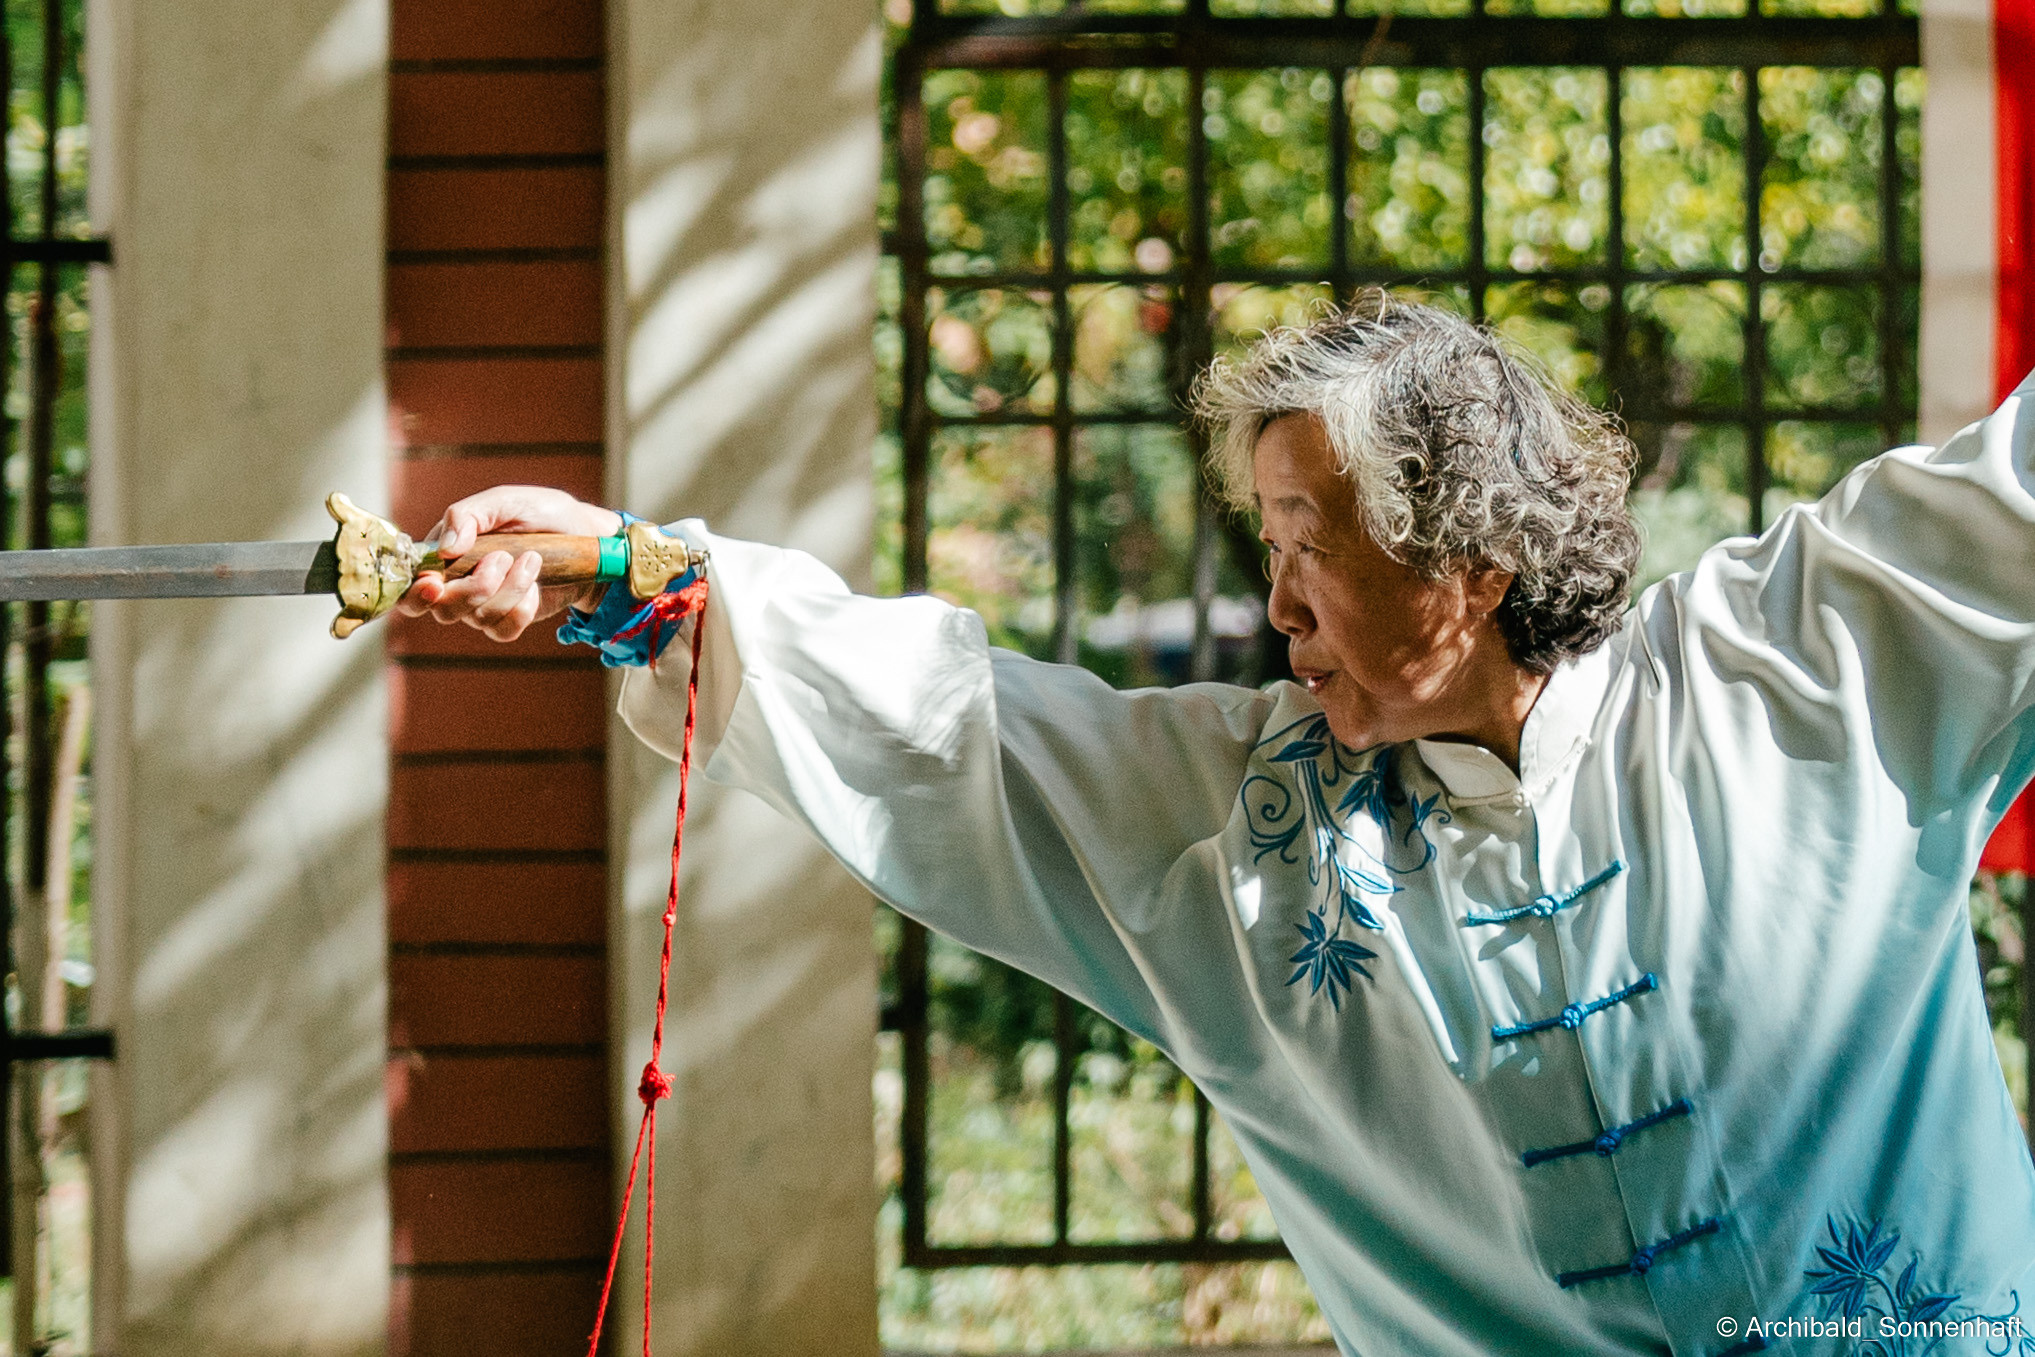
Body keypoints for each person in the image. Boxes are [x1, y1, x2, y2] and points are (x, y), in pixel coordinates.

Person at [398, 294, 2035, 1356]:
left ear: (1463, 559)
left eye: (1306, 542)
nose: (1274, 602)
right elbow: (960, 726)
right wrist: (638, 570)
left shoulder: (1802, 662)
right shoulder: (1251, 836)